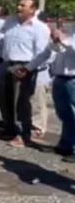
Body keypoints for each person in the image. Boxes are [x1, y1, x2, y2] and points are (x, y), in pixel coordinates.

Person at [0, 0, 50, 148]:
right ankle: (10, 128)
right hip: (7, 64)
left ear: (33, 9)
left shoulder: (39, 28)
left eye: (23, 5)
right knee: (6, 100)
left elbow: (43, 53)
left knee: (21, 103)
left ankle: (23, 135)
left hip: (24, 66)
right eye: (19, 4)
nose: (19, 7)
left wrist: (28, 68)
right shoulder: (10, 22)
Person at [21, 26, 75, 163]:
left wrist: (63, 40)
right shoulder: (69, 30)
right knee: (65, 114)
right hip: (60, 78)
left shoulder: (67, 36)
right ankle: (66, 145)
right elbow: (47, 53)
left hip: (72, 79)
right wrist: (28, 68)